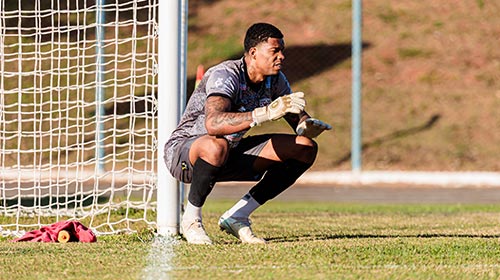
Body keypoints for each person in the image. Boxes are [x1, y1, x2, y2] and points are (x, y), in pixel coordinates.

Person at [164, 22, 331, 245]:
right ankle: (191, 220)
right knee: (216, 145)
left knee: (304, 148)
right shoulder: (226, 74)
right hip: (186, 153)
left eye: (282, 50)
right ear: (253, 53)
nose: (281, 56)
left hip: (228, 152)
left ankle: (238, 215)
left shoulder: (276, 80)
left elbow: (296, 118)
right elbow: (213, 124)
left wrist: (306, 126)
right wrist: (264, 113)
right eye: (275, 51)